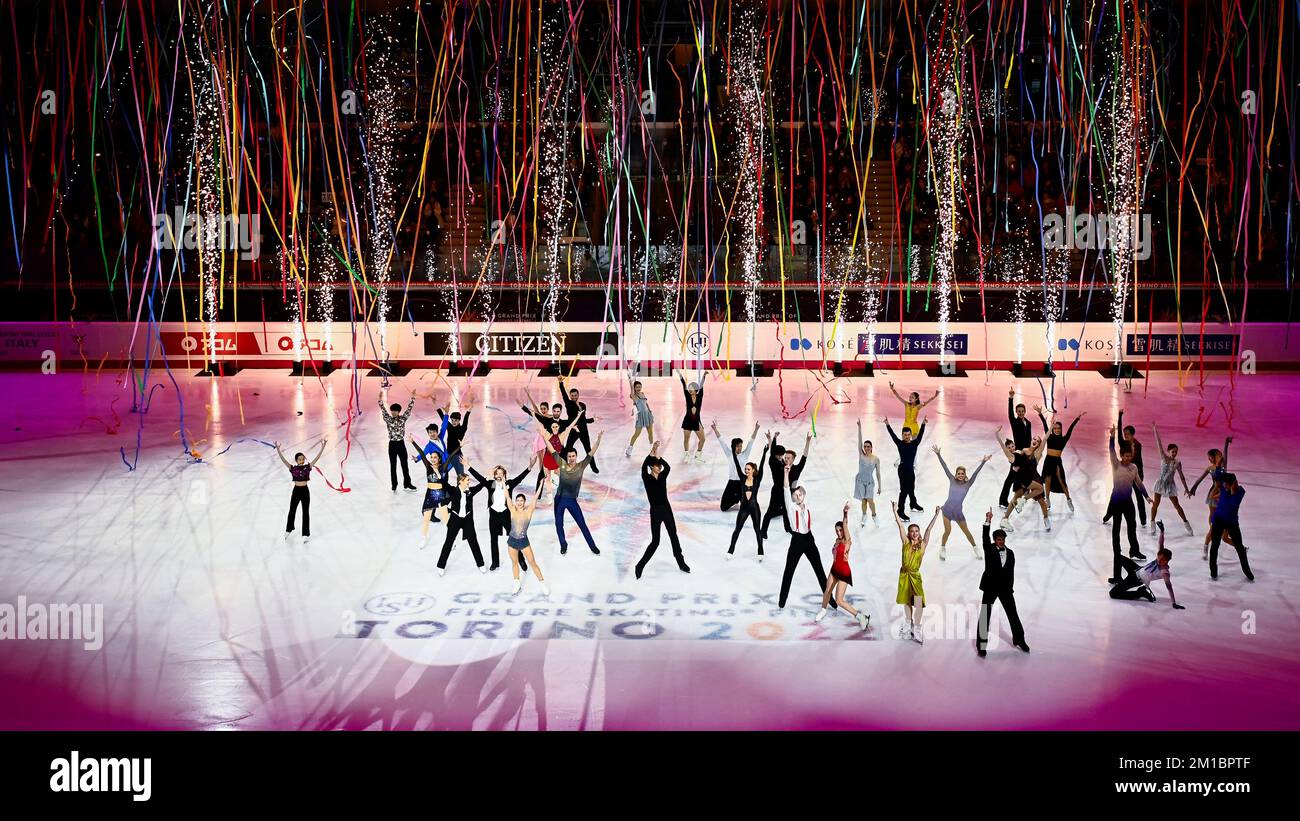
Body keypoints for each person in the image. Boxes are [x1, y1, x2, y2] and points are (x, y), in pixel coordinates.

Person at [776, 463, 837, 611]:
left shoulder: (807, 503)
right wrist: (786, 474)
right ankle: (782, 601)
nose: (798, 497)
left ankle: (830, 600)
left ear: (804, 494)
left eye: (800, 494)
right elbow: (785, 489)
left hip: (809, 539)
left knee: (819, 571)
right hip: (797, 540)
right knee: (789, 571)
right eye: (795, 495)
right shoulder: (791, 507)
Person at [976, 509, 1030, 657]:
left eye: (1003, 539)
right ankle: (981, 645)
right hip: (990, 587)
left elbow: (1010, 572)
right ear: (995, 540)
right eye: (999, 539)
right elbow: (984, 536)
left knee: (1013, 614)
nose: (1001, 541)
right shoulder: (989, 549)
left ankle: (1019, 639)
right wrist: (988, 520)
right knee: (985, 615)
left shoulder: (1011, 553)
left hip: (1006, 589)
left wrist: (1010, 588)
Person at [469, 459, 536, 572]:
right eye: (497, 473)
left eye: (501, 473)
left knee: (515, 538)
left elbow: (520, 478)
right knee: (493, 539)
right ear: (494, 475)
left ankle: (521, 560)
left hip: (506, 515)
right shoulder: (491, 484)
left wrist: (529, 467)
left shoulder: (509, 484)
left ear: (504, 474)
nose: (499, 475)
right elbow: (480, 478)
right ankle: (495, 562)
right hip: (494, 515)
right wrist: (468, 466)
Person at [635, 442, 690, 578]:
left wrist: (658, 456)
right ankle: (640, 565)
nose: (659, 467)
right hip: (655, 511)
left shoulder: (663, 476)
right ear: (651, 467)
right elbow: (643, 467)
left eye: (659, 466)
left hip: (666, 509)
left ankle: (681, 562)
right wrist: (651, 452)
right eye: (656, 466)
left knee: (673, 534)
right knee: (655, 541)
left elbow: (668, 467)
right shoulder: (646, 478)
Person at [814, 503, 870, 630]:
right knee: (827, 591)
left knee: (839, 601)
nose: (839, 532)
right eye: (837, 530)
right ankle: (823, 610)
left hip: (844, 572)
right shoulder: (836, 541)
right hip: (834, 570)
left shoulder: (847, 541)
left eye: (840, 530)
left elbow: (845, 524)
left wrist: (845, 513)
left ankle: (861, 617)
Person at [1106, 426, 1149, 583]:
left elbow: (1138, 483)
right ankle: (1117, 575)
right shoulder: (1116, 465)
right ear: (1121, 456)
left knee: (1133, 527)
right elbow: (1111, 451)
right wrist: (1111, 437)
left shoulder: (1134, 467)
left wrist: (1146, 496)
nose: (1128, 458)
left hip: (1128, 504)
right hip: (1117, 503)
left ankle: (1135, 551)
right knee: (1116, 537)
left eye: (1130, 456)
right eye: (1126, 456)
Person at [892, 503, 940, 644]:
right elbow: (900, 526)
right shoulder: (905, 542)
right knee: (906, 601)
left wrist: (936, 515)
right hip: (904, 575)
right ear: (909, 533)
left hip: (915, 576)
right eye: (912, 531)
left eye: (916, 531)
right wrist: (895, 511)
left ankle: (917, 628)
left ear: (919, 533)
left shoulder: (923, 544)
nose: (914, 533)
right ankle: (908, 625)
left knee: (918, 602)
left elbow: (929, 529)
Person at [934, 446, 992, 559]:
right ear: (956, 474)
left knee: (967, 532)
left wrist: (983, 462)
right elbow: (944, 467)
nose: (960, 475)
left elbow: (975, 473)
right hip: (947, 510)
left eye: (962, 473)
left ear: (965, 475)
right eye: (959, 473)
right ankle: (942, 548)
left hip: (958, 512)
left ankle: (975, 548)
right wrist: (938, 454)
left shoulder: (968, 484)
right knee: (947, 531)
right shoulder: (952, 479)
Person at [1110, 522, 1185, 608]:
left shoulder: (1165, 572)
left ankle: (1139, 593)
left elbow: (1169, 587)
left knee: (1113, 593)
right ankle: (1117, 579)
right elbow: (1161, 543)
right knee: (1118, 557)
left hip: (1136, 579)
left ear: (1167, 560)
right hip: (1137, 569)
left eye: (1162, 560)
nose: (1159, 560)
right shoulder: (1160, 557)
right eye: (1159, 558)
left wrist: (1174, 603)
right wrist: (1162, 531)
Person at [551, 434, 604, 555]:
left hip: (572, 500)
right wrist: (544, 437)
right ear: (567, 457)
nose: (571, 458)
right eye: (569, 456)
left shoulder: (581, 466)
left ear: (576, 456)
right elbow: (552, 450)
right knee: (559, 523)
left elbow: (591, 453)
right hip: (559, 499)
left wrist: (598, 440)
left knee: (582, 524)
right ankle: (563, 544)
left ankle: (592, 546)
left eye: (573, 456)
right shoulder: (562, 464)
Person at [996, 429, 1050, 532]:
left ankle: (1045, 517)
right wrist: (1014, 465)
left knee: (1039, 498)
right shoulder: (1023, 451)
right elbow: (1014, 458)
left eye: (1037, 441)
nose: (1035, 441)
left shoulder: (1037, 453)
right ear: (1031, 440)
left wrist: (1051, 426)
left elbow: (1045, 439)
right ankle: (1006, 518)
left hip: (1033, 478)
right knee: (1017, 498)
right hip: (1023, 478)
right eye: (1034, 439)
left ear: (1039, 444)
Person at [436, 466, 487, 575]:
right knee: (448, 542)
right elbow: (444, 483)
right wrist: (436, 471)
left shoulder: (471, 491)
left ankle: (481, 564)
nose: (469, 482)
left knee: (473, 542)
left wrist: (489, 476)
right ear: (461, 481)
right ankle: (441, 565)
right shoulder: (453, 490)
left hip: (467, 520)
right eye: (467, 480)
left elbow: (482, 484)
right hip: (455, 519)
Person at [1187, 436, 1232, 558]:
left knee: (1223, 517)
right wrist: (1193, 489)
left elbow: (1225, 454)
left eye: (1210, 457)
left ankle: (1220, 532)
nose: (1209, 459)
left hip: (1222, 494)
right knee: (1212, 516)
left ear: (1215, 456)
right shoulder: (1210, 468)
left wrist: (1226, 443)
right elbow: (1200, 479)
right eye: (1208, 458)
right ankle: (1211, 533)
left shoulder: (1223, 467)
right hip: (1213, 493)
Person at [728, 434, 772, 559]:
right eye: (746, 469)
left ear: (753, 470)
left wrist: (765, 452)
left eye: (748, 469)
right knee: (737, 529)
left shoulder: (758, 479)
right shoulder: (742, 478)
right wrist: (732, 451)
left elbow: (763, 464)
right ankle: (731, 550)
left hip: (754, 508)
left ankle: (760, 550)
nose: (746, 471)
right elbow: (736, 464)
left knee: (757, 530)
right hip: (744, 508)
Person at [761, 431, 811, 539]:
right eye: (785, 457)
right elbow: (773, 454)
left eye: (788, 457)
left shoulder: (797, 469)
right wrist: (773, 439)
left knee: (786, 511)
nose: (786, 459)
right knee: (770, 511)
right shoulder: (779, 465)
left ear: (793, 459)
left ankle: (788, 528)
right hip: (777, 492)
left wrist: (807, 441)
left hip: (788, 494)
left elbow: (804, 456)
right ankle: (763, 530)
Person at [275, 440, 326, 542]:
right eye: (299, 459)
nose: (302, 461)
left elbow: (317, 458)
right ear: (296, 460)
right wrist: (278, 449)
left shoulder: (308, 467)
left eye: (303, 459)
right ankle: (289, 529)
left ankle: (305, 533)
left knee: (305, 512)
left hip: (305, 491)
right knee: (292, 510)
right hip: (296, 491)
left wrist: (323, 446)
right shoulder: (293, 468)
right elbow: (284, 461)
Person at [1035, 406, 1084, 511]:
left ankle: (1068, 499)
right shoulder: (1050, 437)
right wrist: (1040, 414)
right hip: (1048, 461)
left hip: (1057, 462)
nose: (1057, 430)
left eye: (1059, 428)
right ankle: (1047, 499)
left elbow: (1071, 429)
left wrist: (1077, 418)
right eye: (1055, 428)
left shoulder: (1063, 439)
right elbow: (1044, 426)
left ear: (1061, 429)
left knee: (1061, 481)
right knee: (1047, 481)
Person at [1208, 473, 1254, 582]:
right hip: (1218, 520)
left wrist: (1233, 490)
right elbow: (1217, 474)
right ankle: (1213, 572)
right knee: (1215, 545)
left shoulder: (1240, 492)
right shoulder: (1224, 487)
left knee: (1239, 548)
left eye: (1227, 485)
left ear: (1233, 484)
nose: (1225, 486)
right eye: (1224, 484)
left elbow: (1232, 505)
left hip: (1232, 522)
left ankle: (1247, 571)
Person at [1150, 423, 1193, 535]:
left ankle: (1186, 523)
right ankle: (1152, 523)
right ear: (1168, 451)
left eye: (1176, 452)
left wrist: (1187, 489)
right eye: (1173, 451)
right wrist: (1155, 429)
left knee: (1177, 505)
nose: (1174, 453)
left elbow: (1182, 477)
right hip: (1160, 484)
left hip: (1170, 486)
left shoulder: (1177, 463)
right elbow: (1158, 443)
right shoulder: (1163, 457)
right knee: (1156, 504)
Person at [410, 435, 452, 548]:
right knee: (426, 518)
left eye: (435, 457)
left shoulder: (443, 468)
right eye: (431, 457)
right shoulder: (428, 467)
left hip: (440, 495)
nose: (432, 459)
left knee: (446, 519)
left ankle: (451, 541)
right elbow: (422, 454)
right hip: (430, 495)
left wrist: (459, 447)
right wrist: (413, 442)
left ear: (439, 459)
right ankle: (423, 538)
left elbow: (450, 457)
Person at [1108, 411, 1148, 526]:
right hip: (1124, 475)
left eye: (1128, 434)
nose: (1125, 435)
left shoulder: (1138, 445)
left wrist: (1139, 475)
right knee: (1116, 494)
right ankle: (1109, 514)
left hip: (1136, 474)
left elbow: (1137, 461)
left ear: (1133, 434)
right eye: (1125, 434)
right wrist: (1120, 417)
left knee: (1139, 496)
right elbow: (1119, 434)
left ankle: (1143, 518)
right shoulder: (1123, 443)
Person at [504, 492, 549, 596]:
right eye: (518, 500)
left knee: (532, 562)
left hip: (523, 541)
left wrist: (541, 484)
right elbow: (507, 496)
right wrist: (503, 482)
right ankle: (516, 583)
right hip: (512, 541)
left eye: (521, 500)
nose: (519, 502)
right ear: (516, 502)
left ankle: (542, 584)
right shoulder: (512, 510)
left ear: (524, 502)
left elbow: (535, 499)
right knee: (514, 563)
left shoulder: (528, 512)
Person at [711, 419, 760, 511]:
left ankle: (741, 498)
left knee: (746, 508)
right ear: (734, 446)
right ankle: (736, 499)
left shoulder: (745, 455)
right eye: (738, 446)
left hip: (742, 482)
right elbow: (721, 441)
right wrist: (714, 429)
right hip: (731, 483)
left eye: (741, 446)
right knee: (723, 507)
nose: (740, 448)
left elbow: (751, 442)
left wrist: (756, 429)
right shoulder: (729, 454)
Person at [885, 416, 926, 519]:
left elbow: (920, 435)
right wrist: (887, 424)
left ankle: (913, 504)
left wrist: (923, 424)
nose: (907, 436)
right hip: (902, 470)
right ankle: (900, 510)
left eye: (908, 435)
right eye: (905, 435)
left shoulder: (915, 443)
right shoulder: (900, 444)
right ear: (902, 435)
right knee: (904, 490)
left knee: (911, 488)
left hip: (910, 469)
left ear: (911, 435)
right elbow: (892, 435)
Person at [558, 373, 599, 474]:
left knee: (588, 449)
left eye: (575, 395)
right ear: (570, 396)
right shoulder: (568, 404)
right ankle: (561, 464)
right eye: (572, 396)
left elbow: (582, 419)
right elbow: (563, 394)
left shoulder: (583, 405)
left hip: (583, 430)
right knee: (568, 448)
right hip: (573, 430)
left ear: (578, 395)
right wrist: (560, 383)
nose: (574, 397)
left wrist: (592, 420)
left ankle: (593, 466)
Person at [999, 390, 1034, 508]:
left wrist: (1031, 451)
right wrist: (1010, 398)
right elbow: (1010, 414)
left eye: (1022, 411)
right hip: (1018, 455)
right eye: (1018, 411)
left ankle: (1035, 494)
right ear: (1016, 412)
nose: (1020, 413)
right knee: (1011, 477)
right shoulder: (1015, 422)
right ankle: (1003, 500)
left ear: (1025, 412)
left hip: (1027, 454)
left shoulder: (1028, 423)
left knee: (1031, 473)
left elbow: (1029, 439)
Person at [379, 392, 417, 492]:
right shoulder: (388, 419)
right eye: (392, 411)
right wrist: (380, 400)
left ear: (399, 411)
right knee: (393, 465)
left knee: (405, 464)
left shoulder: (403, 419)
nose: (393, 412)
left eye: (395, 411)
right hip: (392, 444)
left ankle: (407, 483)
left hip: (401, 444)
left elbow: (409, 409)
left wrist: (413, 398)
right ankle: (394, 484)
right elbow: (383, 410)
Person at [854, 419, 883, 526]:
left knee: (870, 500)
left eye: (868, 446)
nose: (866, 448)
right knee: (864, 500)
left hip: (870, 482)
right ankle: (864, 515)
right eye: (865, 446)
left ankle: (874, 515)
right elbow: (859, 441)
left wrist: (880, 486)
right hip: (860, 481)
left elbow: (878, 474)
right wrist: (859, 428)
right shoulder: (861, 455)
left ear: (871, 448)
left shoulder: (876, 459)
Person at [436, 400, 472, 479]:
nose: (453, 422)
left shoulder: (463, 428)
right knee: (441, 474)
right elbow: (442, 417)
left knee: (461, 477)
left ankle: (461, 490)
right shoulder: (450, 427)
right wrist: (435, 403)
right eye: (452, 420)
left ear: (459, 420)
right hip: (448, 455)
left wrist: (469, 410)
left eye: (455, 420)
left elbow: (466, 418)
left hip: (457, 456)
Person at [679, 371, 709, 460]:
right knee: (686, 439)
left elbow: (702, 385)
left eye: (691, 388)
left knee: (703, 439)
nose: (690, 389)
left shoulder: (700, 396)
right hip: (687, 420)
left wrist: (704, 375)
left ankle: (698, 455)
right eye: (689, 388)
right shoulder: (687, 396)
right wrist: (680, 375)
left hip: (696, 421)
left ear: (696, 389)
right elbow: (683, 384)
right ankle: (686, 455)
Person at [625, 376, 655, 456]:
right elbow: (631, 390)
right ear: (634, 388)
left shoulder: (642, 393)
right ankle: (630, 448)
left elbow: (646, 403)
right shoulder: (634, 396)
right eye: (636, 387)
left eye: (639, 387)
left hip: (647, 415)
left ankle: (653, 450)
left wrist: (649, 410)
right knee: (637, 433)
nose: (638, 388)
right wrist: (630, 381)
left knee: (650, 433)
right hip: (641, 416)